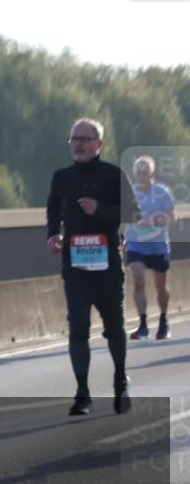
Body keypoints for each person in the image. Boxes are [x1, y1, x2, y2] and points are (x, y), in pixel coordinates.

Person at [46, 118, 138, 417]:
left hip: (107, 265)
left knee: (114, 328)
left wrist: (100, 210)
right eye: (74, 139)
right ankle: (82, 393)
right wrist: (53, 234)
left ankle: (120, 380)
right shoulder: (62, 177)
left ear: (99, 143)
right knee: (78, 329)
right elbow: (53, 208)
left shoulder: (113, 174)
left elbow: (132, 212)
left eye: (85, 139)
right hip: (75, 266)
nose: (78, 144)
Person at [124, 156, 176, 340]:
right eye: (138, 173)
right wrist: (121, 237)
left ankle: (163, 320)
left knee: (160, 286)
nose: (141, 176)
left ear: (151, 173)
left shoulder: (163, 192)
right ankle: (143, 324)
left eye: (145, 172)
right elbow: (124, 218)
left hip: (158, 246)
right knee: (138, 282)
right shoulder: (131, 193)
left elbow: (172, 218)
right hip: (136, 243)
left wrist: (159, 220)